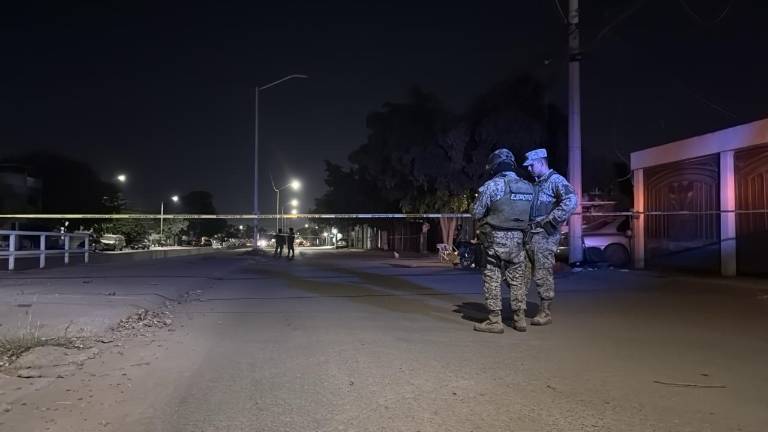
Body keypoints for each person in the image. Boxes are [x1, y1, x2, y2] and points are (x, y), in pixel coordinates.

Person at [471, 148, 534, 334]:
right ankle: (519, 319)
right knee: (517, 280)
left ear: (495, 165)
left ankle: (495, 321)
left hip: (495, 240)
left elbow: (476, 212)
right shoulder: (527, 186)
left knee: (492, 278)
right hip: (519, 241)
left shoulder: (492, 185)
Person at [522, 148, 578, 326]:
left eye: (531, 165)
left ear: (540, 162)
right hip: (530, 234)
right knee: (523, 272)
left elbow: (571, 201)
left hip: (545, 235)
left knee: (542, 273)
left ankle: (545, 311)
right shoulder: (536, 183)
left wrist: (551, 221)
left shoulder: (556, 181)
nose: (529, 169)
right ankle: (518, 308)